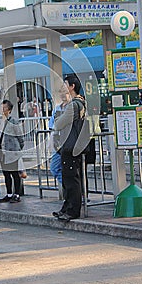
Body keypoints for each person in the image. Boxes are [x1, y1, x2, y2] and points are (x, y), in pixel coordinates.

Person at [52, 75, 87, 222]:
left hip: (71, 146)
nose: (64, 87)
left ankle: (73, 210)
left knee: (71, 179)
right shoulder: (81, 103)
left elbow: (59, 123)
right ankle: (66, 208)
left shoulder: (74, 105)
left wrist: (58, 119)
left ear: (72, 86)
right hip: (72, 145)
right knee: (68, 178)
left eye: (65, 84)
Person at [0, 99, 24, 203]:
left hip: (12, 151)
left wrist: (18, 149)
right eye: (2, 108)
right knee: (6, 174)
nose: (3, 110)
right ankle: (9, 193)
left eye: (5, 108)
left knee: (14, 173)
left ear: (9, 110)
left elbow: (20, 137)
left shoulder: (14, 122)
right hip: (3, 151)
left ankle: (17, 194)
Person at [48, 86, 71, 186]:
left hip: (69, 143)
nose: (62, 94)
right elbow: (51, 126)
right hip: (57, 143)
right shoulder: (57, 108)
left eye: (65, 92)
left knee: (70, 170)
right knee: (54, 168)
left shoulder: (72, 107)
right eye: (61, 92)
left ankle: (73, 191)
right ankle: (69, 188)